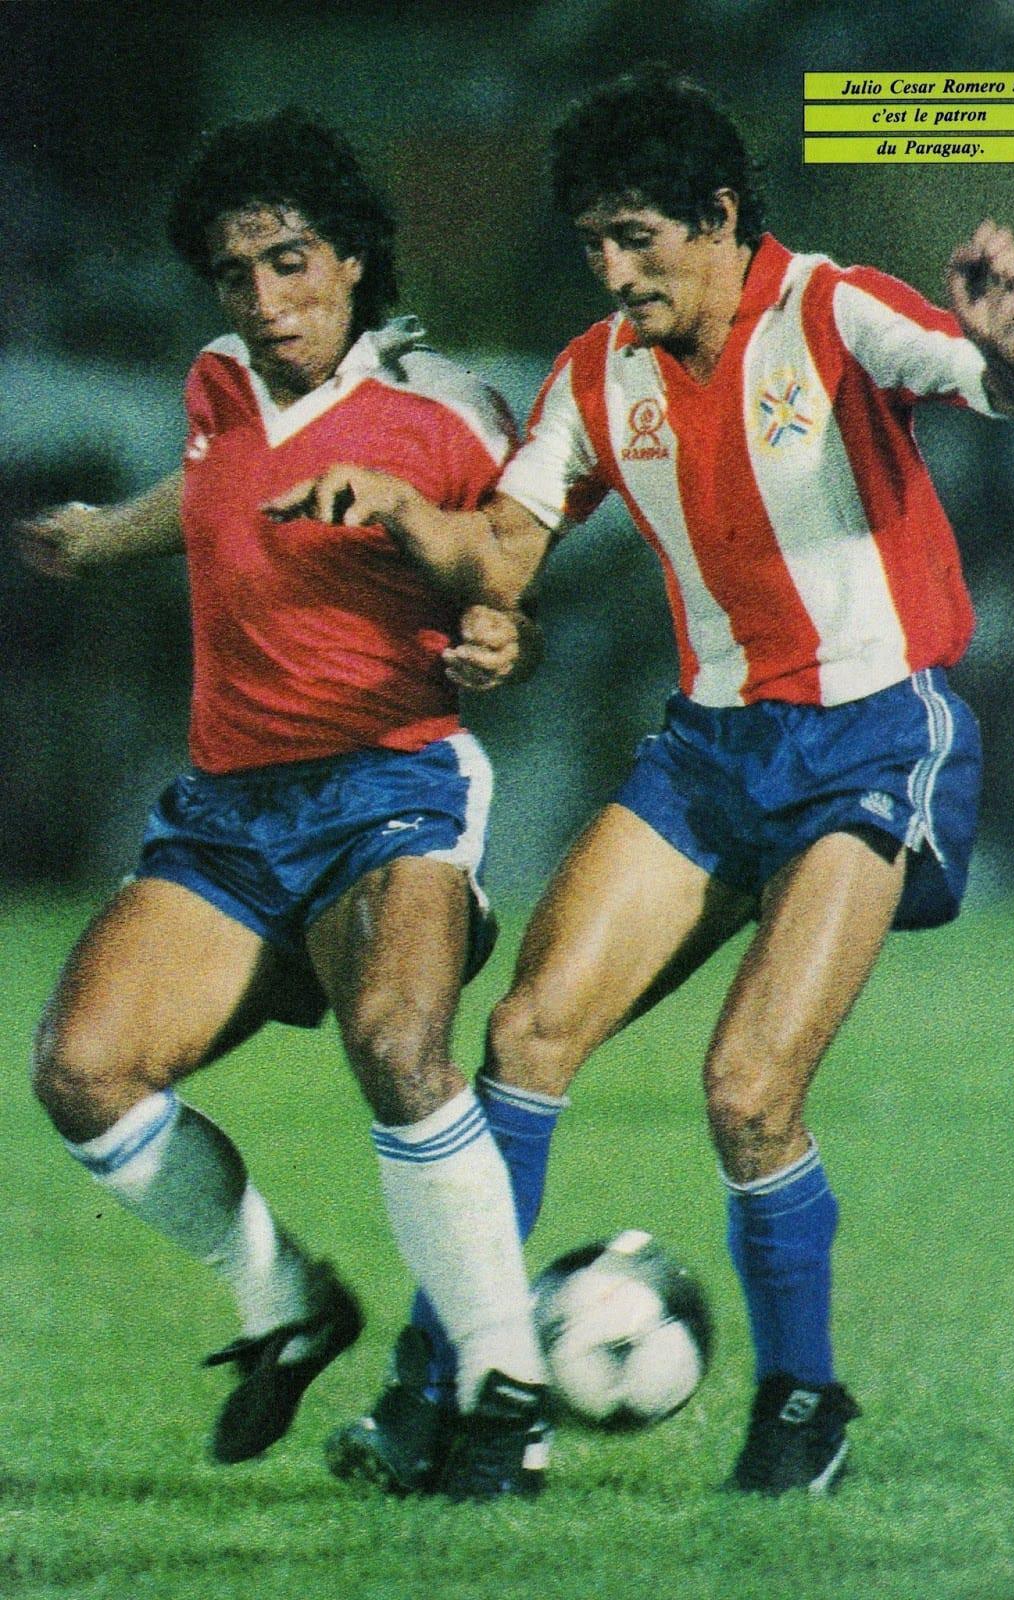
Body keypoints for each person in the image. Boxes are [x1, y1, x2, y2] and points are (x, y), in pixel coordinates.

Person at [269, 66, 1014, 1499]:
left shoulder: (831, 309)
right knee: (524, 1036)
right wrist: (401, 513)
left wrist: (1002, 340)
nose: (611, 270)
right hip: (708, 754)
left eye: (635, 237)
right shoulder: (599, 376)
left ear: (717, 217)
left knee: (747, 1091)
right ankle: (453, 1390)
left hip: (868, 737)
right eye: (591, 241)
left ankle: (802, 1404)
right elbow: (502, 552)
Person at [15, 109, 553, 1499]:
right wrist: (102, 537)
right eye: (234, 273)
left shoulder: (448, 407)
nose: (263, 299)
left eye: (291, 262)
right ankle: (288, 1302)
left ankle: (505, 1391)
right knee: (83, 1074)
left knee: (398, 1048)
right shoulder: (217, 381)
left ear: (354, 258)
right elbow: (214, 496)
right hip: (229, 813)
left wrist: (498, 634)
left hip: (391, 784)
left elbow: (505, 570)